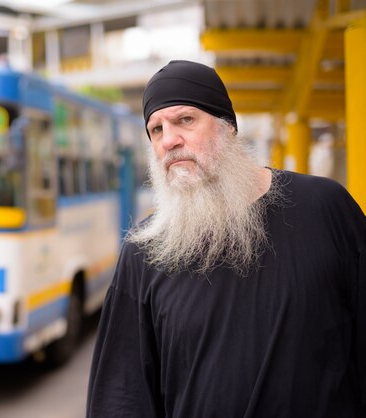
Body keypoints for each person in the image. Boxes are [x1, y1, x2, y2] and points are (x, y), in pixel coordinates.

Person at [86, 60, 366, 417]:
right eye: (156, 129)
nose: (169, 140)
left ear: (228, 127)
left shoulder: (325, 208)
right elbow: (120, 398)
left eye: (185, 120)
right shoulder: (144, 252)